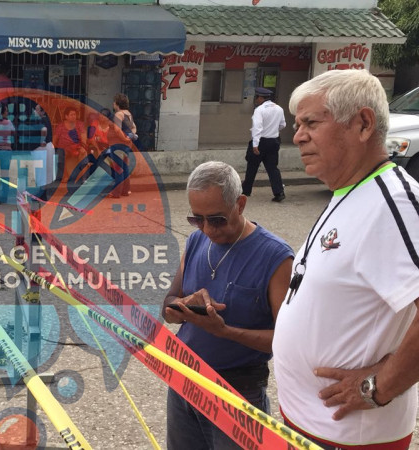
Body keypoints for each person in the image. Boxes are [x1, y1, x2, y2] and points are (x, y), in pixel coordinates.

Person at [273, 69, 419, 450]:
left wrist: (378, 387)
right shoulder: (348, 189)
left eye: (310, 122)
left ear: (363, 124)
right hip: (309, 424)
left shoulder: (397, 202)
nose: (298, 135)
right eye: (296, 124)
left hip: (352, 436)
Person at [163, 161, 293, 449]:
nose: (207, 229)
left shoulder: (276, 258)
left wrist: (225, 331)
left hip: (238, 392)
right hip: (184, 380)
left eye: (217, 219)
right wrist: (183, 305)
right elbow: (168, 307)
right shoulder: (197, 241)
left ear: (241, 204)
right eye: (197, 219)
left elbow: (288, 342)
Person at [242, 87, 286, 202]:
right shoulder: (279, 108)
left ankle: (246, 191)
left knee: (252, 166)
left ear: (261, 97)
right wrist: (273, 130)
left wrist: (255, 144)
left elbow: (257, 128)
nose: (256, 100)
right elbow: (283, 125)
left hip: (260, 141)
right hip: (274, 141)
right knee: (272, 168)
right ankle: (279, 192)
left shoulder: (260, 110)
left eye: (257, 97)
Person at [52, 106, 87, 182]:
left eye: (74, 114)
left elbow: (84, 137)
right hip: (64, 148)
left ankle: (83, 177)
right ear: (66, 116)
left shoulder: (79, 124)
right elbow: (54, 140)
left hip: (77, 146)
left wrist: (82, 146)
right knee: (60, 154)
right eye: (71, 115)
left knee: (83, 153)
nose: (74, 116)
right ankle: (65, 177)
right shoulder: (60, 126)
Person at [112, 94, 136, 197]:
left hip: (118, 143)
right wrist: (130, 137)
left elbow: (117, 129)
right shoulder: (128, 114)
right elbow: (134, 127)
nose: (113, 104)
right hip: (126, 145)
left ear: (117, 103)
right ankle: (126, 190)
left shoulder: (118, 114)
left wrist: (123, 138)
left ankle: (116, 192)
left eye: (114, 102)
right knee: (125, 167)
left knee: (118, 168)